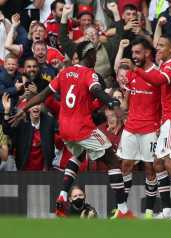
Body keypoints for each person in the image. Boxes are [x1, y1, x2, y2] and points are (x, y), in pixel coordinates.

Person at [11, 41, 133, 219]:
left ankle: (62, 196)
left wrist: (23, 108)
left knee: (79, 155)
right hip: (82, 128)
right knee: (113, 162)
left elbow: (43, 94)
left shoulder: (64, 73)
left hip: (65, 129)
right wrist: (114, 103)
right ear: (90, 55)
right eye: (95, 55)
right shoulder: (89, 74)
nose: (96, 58)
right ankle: (122, 210)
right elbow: (97, 90)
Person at [122, 34, 171, 219]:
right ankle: (167, 210)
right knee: (158, 163)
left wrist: (136, 70)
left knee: (168, 163)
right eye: (157, 45)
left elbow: (157, 81)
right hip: (167, 120)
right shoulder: (165, 65)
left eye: (162, 46)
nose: (158, 48)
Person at [115, 37, 161, 219]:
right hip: (131, 128)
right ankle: (122, 210)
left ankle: (149, 212)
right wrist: (120, 99)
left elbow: (164, 103)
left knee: (150, 169)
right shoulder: (132, 74)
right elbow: (126, 105)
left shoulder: (157, 73)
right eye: (132, 52)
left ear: (147, 53)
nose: (134, 56)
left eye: (137, 52)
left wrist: (160, 126)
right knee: (125, 166)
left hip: (150, 129)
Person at [2, 94, 56, 171]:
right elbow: (7, 130)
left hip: (44, 171)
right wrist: (7, 112)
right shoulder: (21, 121)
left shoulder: (49, 121)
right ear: (28, 108)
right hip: (24, 169)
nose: (36, 107)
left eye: (38, 104)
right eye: (33, 105)